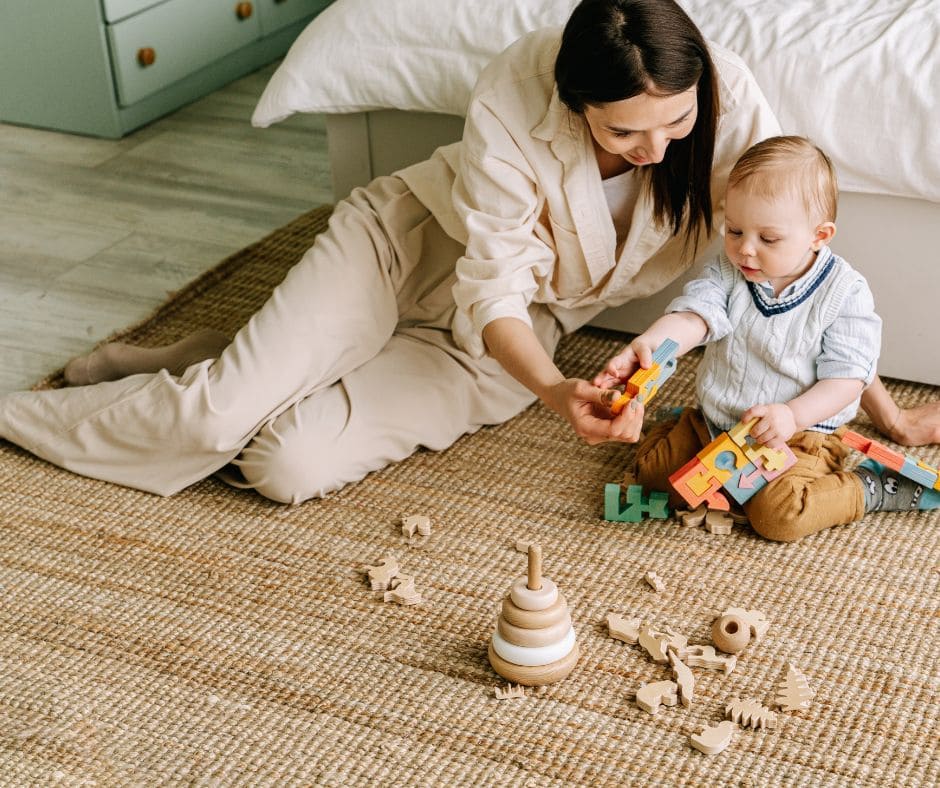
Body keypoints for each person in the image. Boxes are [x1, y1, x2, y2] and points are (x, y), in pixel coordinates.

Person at [0, 0, 934, 505]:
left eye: (676, 125)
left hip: (511, 332)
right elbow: (489, 282)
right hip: (407, 252)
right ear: (576, 107)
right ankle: (21, 414)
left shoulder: (723, 105)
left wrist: (888, 419)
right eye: (626, 135)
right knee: (209, 426)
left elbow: (815, 294)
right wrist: (553, 392)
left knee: (280, 467)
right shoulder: (514, 92)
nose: (659, 152)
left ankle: (187, 361)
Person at [596, 136, 940, 542]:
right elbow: (695, 316)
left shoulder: (844, 293)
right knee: (653, 477)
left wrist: (792, 415)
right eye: (735, 230)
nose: (746, 250)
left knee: (779, 516)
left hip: (800, 432)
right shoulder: (728, 271)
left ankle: (868, 488)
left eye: (768, 239)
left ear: (820, 235)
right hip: (717, 422)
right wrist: (652, 344)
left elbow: (848, 380)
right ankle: (677, 425)